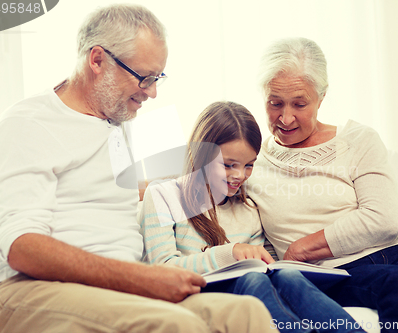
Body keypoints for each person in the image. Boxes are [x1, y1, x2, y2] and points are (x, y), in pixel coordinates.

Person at [0, 4, 275, 333]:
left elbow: (92, 191)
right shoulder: (27, 125)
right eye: (145, 78)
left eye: (158, 78)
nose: (152, 92)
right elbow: (22, 247)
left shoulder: (112, 126)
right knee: (175, 324)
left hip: (113, 289)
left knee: (247, 314)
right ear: (97, 60)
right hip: (20, 288)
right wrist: (141, 276)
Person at [245, 37, 398, 332]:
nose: (286, 117)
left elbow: (383, 219)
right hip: (337, 270)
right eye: (274, 103)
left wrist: (302, 247)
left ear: (322, 97)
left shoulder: (359, 139)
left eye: (300, 104)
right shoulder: (250, 165)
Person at [141, 101, 366, 333]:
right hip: (193, 294)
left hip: (248, 292)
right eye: (228, 165)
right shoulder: (163, 196)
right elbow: (162, 269)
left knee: (289, 277)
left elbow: (262, 267)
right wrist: (231, 253)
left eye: (249, 165)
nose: (240, 176)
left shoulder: (248, 208)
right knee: (253, 280)